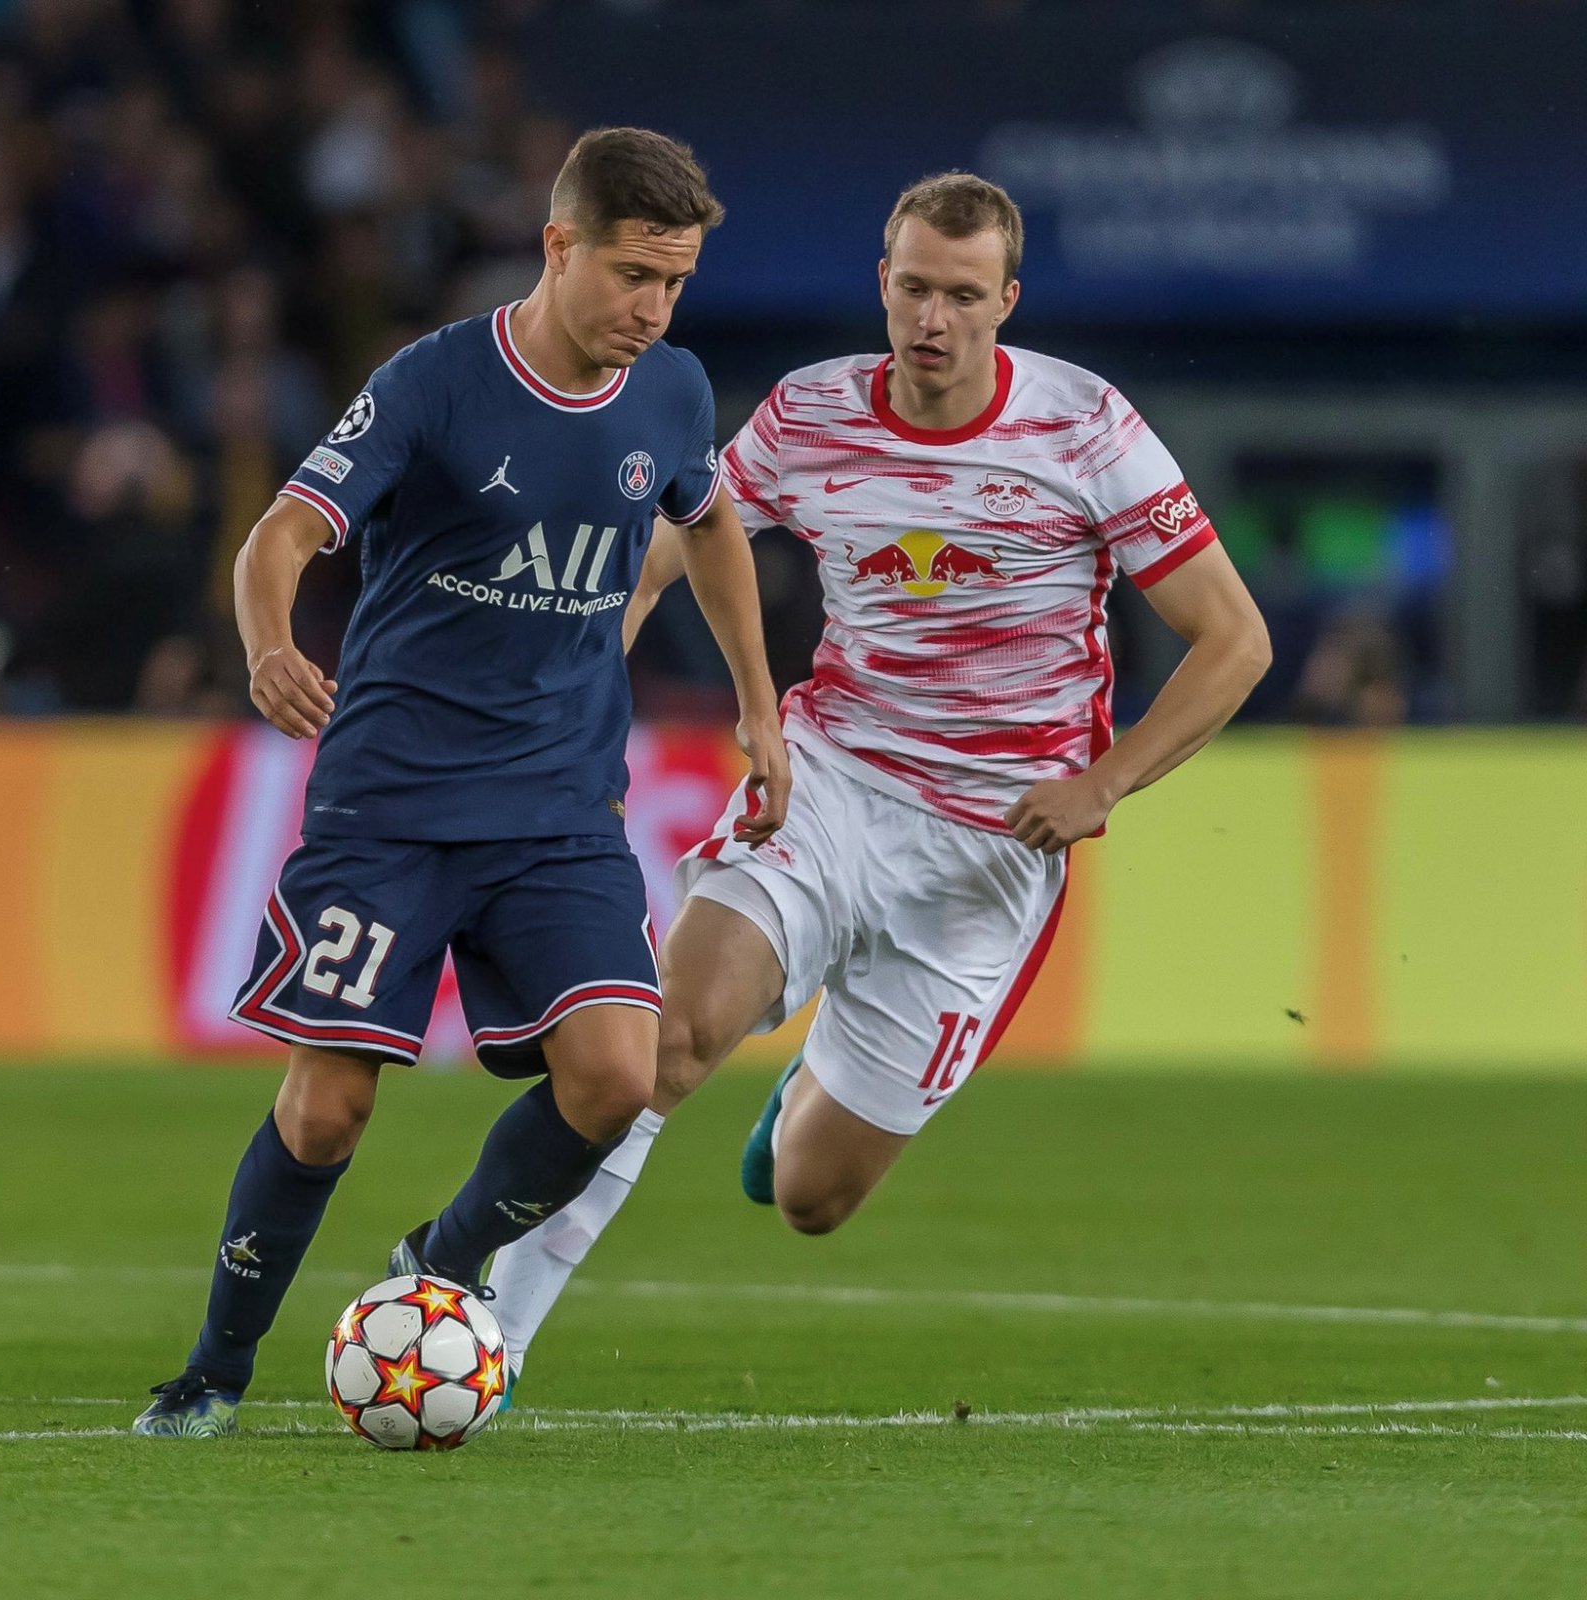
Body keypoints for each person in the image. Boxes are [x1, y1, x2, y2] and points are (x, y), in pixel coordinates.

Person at [484, 172, 1271, 1391]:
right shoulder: (809, 413)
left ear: (1005, 302)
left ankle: (807, 1088)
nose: (931, 318)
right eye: (912, 288)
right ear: (882, 284)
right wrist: (589, 699)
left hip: (992, 850)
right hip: (831, 783)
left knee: (812, 1197)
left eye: (961, 294)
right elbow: (671, 547)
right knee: (668, 1042)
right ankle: (487, 1323)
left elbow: (1234, 640)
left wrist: (1103, 786)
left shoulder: (1086, 429)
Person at [133, 127, 790, 1438]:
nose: (655, 309)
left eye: (675, 282)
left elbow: (709, 519)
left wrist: (758, 707)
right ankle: (213, 1368)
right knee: (329, 1109)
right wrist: (269, 647)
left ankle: (440, 1260)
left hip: (559, 810)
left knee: (619, 1073)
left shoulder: (668, 391)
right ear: (558, 246)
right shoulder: (434, 382)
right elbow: (283, 533)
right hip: (391, 805)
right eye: (633, 274)